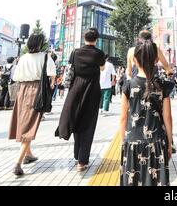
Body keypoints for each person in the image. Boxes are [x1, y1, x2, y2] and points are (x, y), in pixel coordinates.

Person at [119, 40, 174, 186]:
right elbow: (168, 118)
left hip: (132, 141)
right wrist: (169, 144)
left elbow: (123, 118)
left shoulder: (128, 85)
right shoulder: (162, 85)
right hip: (157, 142)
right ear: (156, 60)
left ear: (135, 60)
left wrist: (122, 141)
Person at [55, 28, 106, 172]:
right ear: (96, 39)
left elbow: (70, 70)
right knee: (88, 124)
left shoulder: (75, 52)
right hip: (92, 91)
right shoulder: (99, 53)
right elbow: (102, 68)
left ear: (84, 37)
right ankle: (82, 162)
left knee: (76, 120)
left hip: (76, 90)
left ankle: (77, 155)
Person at [8, 34, 56, 176]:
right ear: (40, 44)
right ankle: (17, 162)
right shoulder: (45, 57)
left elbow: (15, 77)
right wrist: (52, 82)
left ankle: (29, 155)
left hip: (22, 90)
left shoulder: (23, 58)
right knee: (30, 126)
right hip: (37, 90)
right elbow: (52, 74)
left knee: (23, 122)